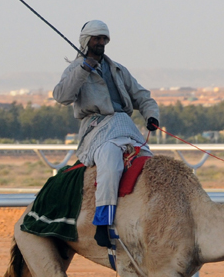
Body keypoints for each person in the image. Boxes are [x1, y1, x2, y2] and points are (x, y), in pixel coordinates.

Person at [53, 20, 160, 248]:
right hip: (96, 127)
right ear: (86, 41)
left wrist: (152, 116)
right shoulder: (75, 70)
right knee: (111, 162)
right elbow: (61, 96)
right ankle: (103, 223)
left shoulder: (119, 70)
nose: (101, 43)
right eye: (96, 38)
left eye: (104, 39)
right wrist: (83, 69)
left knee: (150, 163)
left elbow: (143, 96)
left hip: (125, 126)